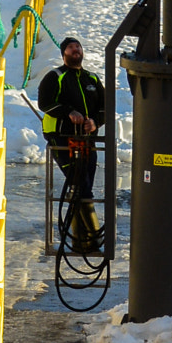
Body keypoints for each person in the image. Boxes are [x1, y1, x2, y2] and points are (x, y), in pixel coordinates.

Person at [38, 36, 105, 247]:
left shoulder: (92, 79)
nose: (75, 49)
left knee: (82, 187)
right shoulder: (55, 77)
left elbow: (105, 107)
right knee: (80, 185)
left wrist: (95, 122)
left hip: (87, 140)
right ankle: (94, 239)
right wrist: (68, 112)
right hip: (62, 139)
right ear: (63, 53)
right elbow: (45, 103)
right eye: (70, 47)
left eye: (78, 46)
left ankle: (79, 240)